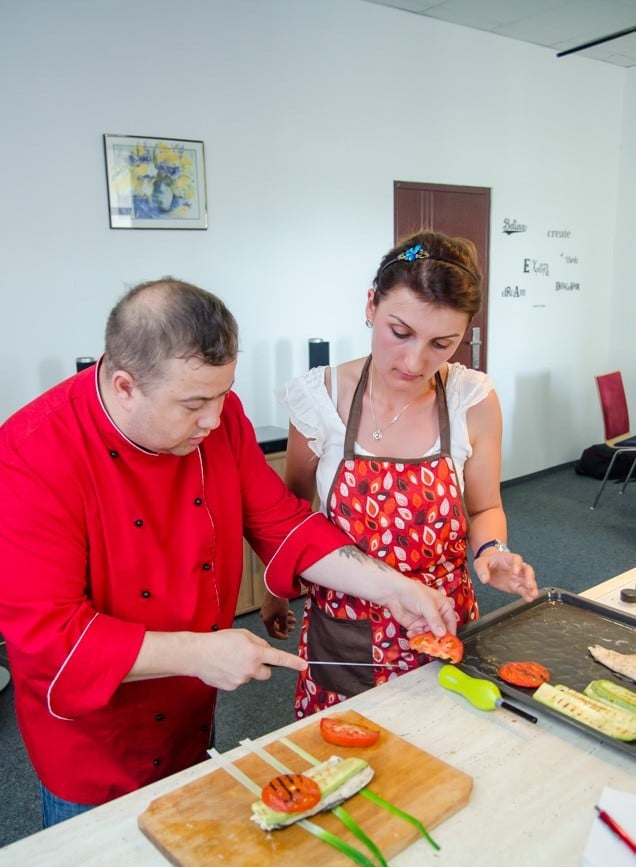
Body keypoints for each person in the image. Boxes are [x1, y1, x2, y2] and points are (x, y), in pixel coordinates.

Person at [0, 277, 457, 828]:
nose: (215, 420)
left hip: (192, 712)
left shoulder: (218, 419)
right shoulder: (30, 456)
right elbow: (51, 638)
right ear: (125, 386)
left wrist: (395, 587)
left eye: (224, 394)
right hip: (97, 740)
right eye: (194, 403)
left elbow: (286, 525)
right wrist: (199, 653)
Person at [260, 231, 538, 718]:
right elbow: (290, 518)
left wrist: (493, 550)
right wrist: (273, 594)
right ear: (371, 305)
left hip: (444, 622)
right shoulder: (319, 399)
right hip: (346, 631)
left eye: (441, 344)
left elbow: (485, 507)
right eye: (400, 332)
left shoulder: (471, 400)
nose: (414, 362)